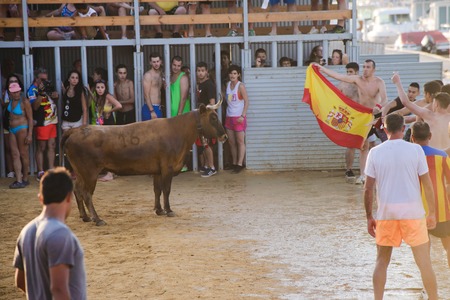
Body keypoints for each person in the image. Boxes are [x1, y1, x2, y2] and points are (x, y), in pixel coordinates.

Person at [364, 113, 438, 300]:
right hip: (413, 213)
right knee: (424, 262)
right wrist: (432, 213)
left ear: (385, 129)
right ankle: (434, 298)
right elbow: (427, 184)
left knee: (381, 261)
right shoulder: (416, 150)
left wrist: (369, 217)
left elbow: (368, 189)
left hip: (387, 213)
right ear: (404, 129)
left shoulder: (375, 152)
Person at [13, 167, 87, 299]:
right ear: (69, 197)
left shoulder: (26, 231)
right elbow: (58, 289)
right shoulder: (60, 234)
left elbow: (20, 281)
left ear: (41, 198)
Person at [317, 59, 388, 184]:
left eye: (368, 67)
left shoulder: (379, 82)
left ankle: (380, 172)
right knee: (363, 146)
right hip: (362, 116)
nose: (365, 69)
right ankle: (363, 175)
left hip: (375, 116)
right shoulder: (357, 79)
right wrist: (322, 69)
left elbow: (385, 99)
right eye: (364, 66)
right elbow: (339, 76)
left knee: (381, 144)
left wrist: (379, 106)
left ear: (373, 69)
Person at [411, 121, 450, 268]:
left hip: (417, 210)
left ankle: (426, 285)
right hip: (442, 209)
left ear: (412, 138)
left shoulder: (409, 158)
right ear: (430, 136)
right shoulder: (442, 156)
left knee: (423, 249)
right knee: (448, 245)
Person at [393, 73, 450, 150]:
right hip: (447, 159)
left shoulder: (429, 115)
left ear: (436, 104)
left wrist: (398, 82)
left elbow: (406, 102)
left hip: (432, 157)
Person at [27, 68, 59, 182]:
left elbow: (54, 99)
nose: (44, 82)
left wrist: (55, 95)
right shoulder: (32, 90)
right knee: (41, 147)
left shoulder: (48, 86)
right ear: (36, 78)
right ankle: (40, 172)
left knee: (52, 145)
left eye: (46, 79)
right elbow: (34, 107)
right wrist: (41, 93)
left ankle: (50, 170)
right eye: (42, 79)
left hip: (52, 120)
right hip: (41, 122)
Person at [336, 62, 363, 182]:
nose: (348, 74)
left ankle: (367, 170)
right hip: (350, 116)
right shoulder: (342, 84)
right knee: (350, 145)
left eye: (351, 72)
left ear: (357, 72)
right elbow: (336, 99)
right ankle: (349, 169)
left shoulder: (363, 83)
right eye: (347, 72)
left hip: (364, 116)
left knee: (369, 144)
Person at [91, 79, 122, 181]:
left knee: (110, 149)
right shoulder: (97, 97)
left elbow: (119, 105)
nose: (100, 90)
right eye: (98, 87)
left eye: (102, 87)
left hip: (109, 124)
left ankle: (110, 173)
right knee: (104, 149)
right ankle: (111, 171)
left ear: (105, 88)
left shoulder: (108, 96)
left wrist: (109, 111)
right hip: (102, 124)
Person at [6, 82, 33, 189]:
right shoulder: (10, 101)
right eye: (14, 92)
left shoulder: (24, 102)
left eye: (17, 91)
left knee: (23, 154)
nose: (16, 94)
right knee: (14, 154)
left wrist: (30, 134)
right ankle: (19, 179)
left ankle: (25, 178)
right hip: (12, 129)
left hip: (22, 128)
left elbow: (30, 118)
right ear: (10, 93)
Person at [225, 65, 249, 174]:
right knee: (231, 142)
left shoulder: (241, 86)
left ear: (238, 74)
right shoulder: (228, 85)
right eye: (231, 73)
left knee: (240, 142)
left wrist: (242, 116)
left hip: (238, 117)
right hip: (229, 117)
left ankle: (240, 164)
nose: (232, 75)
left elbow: (247, 101)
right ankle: (234, 162)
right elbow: (228, 100)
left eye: (235, 73)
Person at [195, 62, 217, 177]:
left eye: (202, 70)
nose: (200, 73)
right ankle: (208, 166)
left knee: (206, 143)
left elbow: (212, 104)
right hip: (201, 119)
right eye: (198, 70)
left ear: (207, 71)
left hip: (207, 119)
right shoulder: (200, 84)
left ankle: (212, 168)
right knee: (203, 144)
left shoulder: (209, 85)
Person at [1, 74, 24, 179]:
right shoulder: (4, 93)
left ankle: (21, 173)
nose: (13, 82)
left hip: (20, 126)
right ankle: (10, 172)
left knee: (20, 150)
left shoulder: (20, 94)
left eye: (15, 80)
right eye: (10, 81)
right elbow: (4, 106)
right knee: (8, 148)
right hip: (7, 123)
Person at [142, 52, 164, 120]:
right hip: (150, 108)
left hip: (158, 107)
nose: (156, 64)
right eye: (154, 62)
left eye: (157, 61)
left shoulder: (161, 74)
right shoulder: (148, 75)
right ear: (150, 63)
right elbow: (146, 94)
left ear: (160, 61)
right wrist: (152, 111)